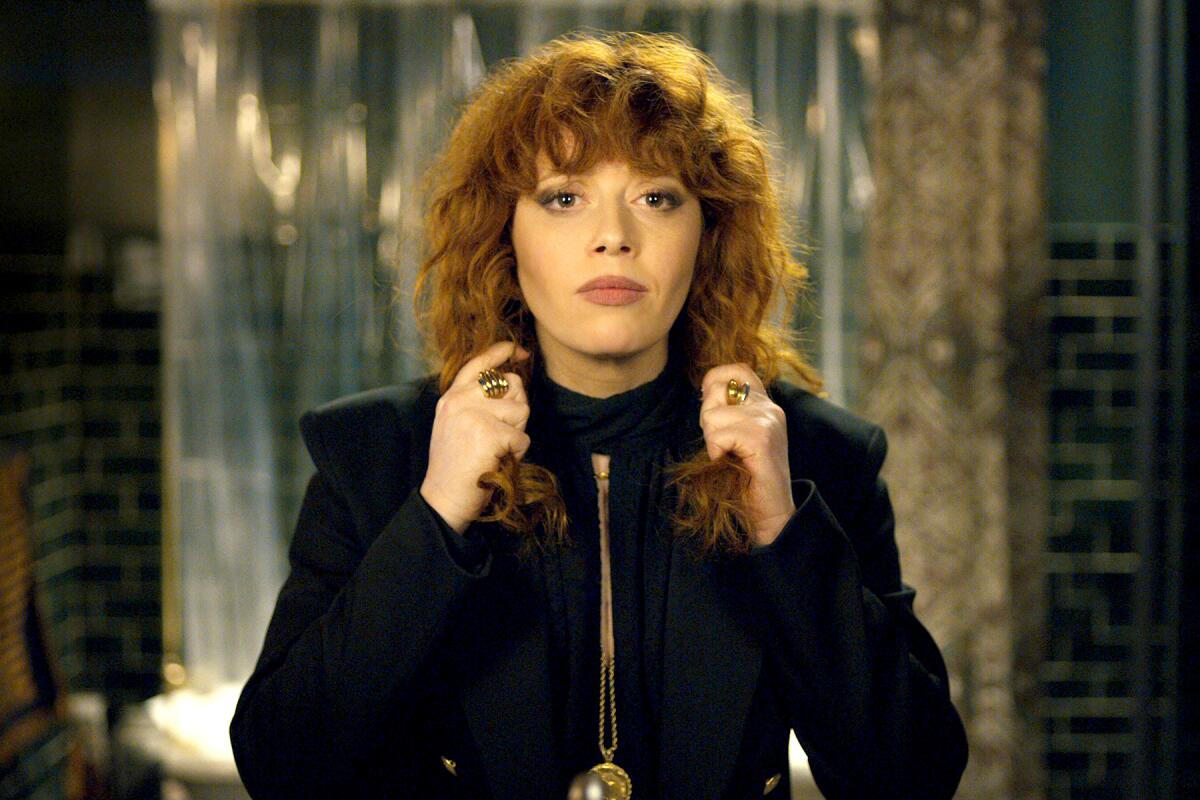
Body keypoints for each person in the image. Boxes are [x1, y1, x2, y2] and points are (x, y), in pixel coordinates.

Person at [230, 31, 967, 800]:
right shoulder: (375, 453)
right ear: (502, 234)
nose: (614, 236)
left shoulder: (818, 457)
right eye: (565, 197)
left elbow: (913, 778)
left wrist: (782, 532)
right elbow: (283, 768)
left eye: (656, 197)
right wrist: (436, 513)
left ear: (708, 236)